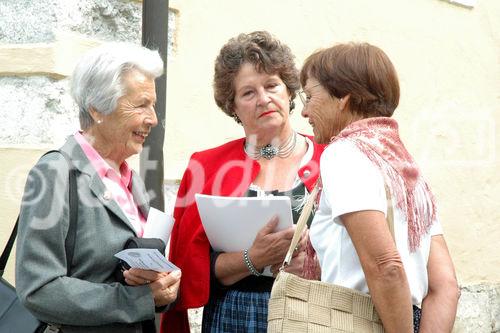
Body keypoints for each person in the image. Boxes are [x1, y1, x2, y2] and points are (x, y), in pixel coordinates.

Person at [161, 31, 325, 333]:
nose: (264, 99)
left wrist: (315, 263)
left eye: (272, 85)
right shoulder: (206, 166)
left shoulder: (333, 157)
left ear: (288, 91)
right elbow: (190, 267)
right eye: (248, 93)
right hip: (232, 316)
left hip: (314, 313)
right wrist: (253, 259)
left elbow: (363, 251)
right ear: (233, 106)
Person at [15, 42, 181, 333]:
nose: (153, 118)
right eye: (141, 104)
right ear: (97, 109)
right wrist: (136, 299)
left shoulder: (130, 177)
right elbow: (38, 289)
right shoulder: (55, 173)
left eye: (152, 105)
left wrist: (162, 286)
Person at [300, 42, 460, 332]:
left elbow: (385, 265)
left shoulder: (345, 153)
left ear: (343, 98)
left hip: (351, 320)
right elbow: (446, 285)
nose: (304, 111)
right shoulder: (406, 169)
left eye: (309, 95)